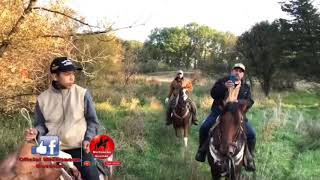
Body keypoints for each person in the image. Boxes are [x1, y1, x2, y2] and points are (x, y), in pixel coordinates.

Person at [25, 57, 102, 180]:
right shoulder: (42, 99)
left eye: (73, 73)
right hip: (51, 147)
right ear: (55, 77)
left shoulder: (82, 94)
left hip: (78, 146)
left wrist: (88, 139)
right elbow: (42, 125)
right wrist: (36, 131)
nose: (72, 78)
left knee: (91, 175)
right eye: (67, 74)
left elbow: (93, 121)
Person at [194, 63, 256, 172]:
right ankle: (202, 151)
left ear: (243, 74)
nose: (237, 72)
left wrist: (238, 102)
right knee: (205, 127)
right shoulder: (223, 81)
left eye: (240, 71)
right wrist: (224, 87)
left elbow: (250, 101)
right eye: (236, 70)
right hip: (220, 111)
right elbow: (213, 93)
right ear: (232, 71)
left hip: (237, 114)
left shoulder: (246, 86)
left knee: (251, 134)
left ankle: (249, 158)